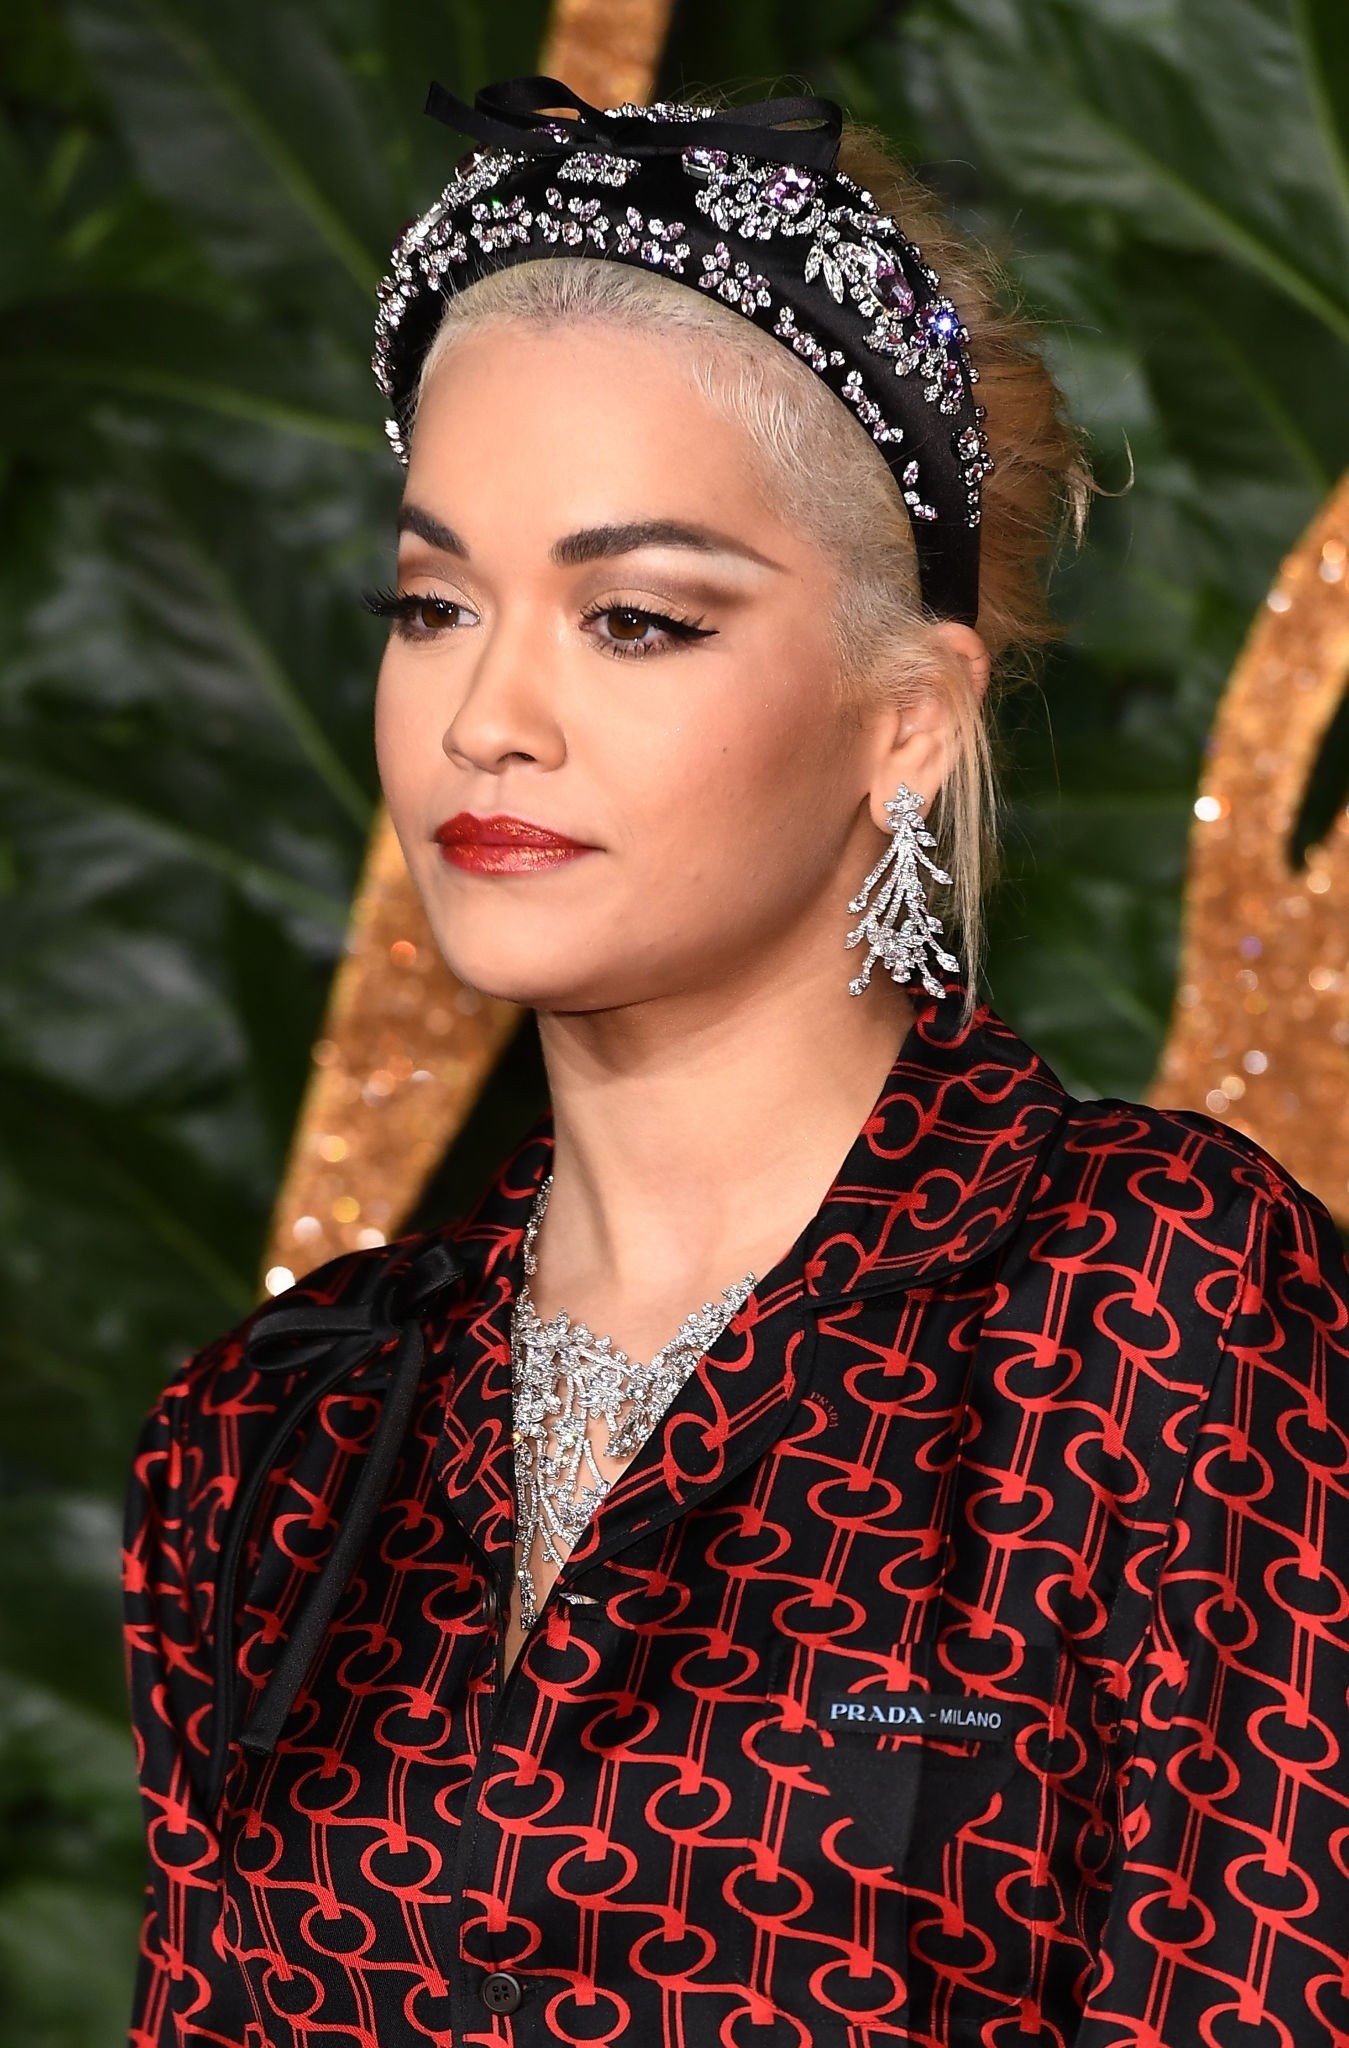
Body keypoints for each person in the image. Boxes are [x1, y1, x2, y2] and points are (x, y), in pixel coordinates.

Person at [123, 74, 1349, 2048]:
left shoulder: (1149, 1302)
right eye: (430, 603)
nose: (488, 712)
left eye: (632, 618)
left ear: (903, 720)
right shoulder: (271, 1432)